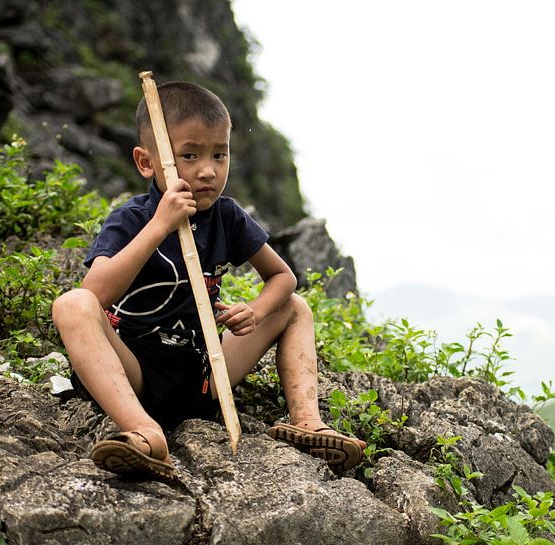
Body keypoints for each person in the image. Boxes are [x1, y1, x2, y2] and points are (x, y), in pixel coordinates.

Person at [51, 81, 365, 480]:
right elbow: (95, 294)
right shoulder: (131, 219)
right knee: (71, 304)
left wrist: (255, 310)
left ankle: (306, 421)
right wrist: (159, 226)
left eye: (220, 154)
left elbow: (282, 278)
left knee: (293, 307)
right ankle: (144, 431)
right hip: (135, 373)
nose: (208, 170)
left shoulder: (227, 217)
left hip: (204, 372)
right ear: (148, 163)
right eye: (189, 155)